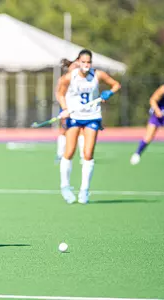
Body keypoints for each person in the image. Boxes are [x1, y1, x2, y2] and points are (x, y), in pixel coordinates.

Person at [56, 49, 121, 204]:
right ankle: (65, 186)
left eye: (88, 62)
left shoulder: (97, 75)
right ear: (78, 61)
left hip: (92, 116)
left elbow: (116, 85)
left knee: (88, 154)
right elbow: (60, 94)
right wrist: (65, 108)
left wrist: (108, 93)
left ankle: (84, 190)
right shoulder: (69, 77)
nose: (86, 65)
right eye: (83, 62)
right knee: (69, 152)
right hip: (74, 116)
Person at [56, 59, 85, 163]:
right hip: (66, 108)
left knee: (82, 130)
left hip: (79, 109)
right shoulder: (63, 79)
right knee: (64, 130)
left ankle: (83, 155)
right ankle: (60, 154)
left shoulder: (82, 80)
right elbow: (59, 94)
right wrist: (65, 108)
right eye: (74, 66)